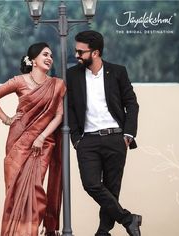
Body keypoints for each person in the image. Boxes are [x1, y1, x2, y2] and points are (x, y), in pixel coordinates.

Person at [0, 42, 66, 236]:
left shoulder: (56, 85)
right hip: (18, 143)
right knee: (15, 192)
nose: (49, 58)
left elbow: (58, 116)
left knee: (35, 190)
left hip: (43, 144)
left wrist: (41, 137)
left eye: (51, 56)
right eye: (45, 54)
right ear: (33, 60)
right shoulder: (19, 81)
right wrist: (7, 119)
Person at [67, 30, 141, 236]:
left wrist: (128, 134)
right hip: (87, 140)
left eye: (81, 52)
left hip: (115, 138)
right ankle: (128, 219)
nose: (77, 55)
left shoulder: (117, 72)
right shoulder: (72, 75)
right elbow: (71, 108)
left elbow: (131, 104)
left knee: (112, 188)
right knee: (91, 184)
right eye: (76, 50)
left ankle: (103, 232)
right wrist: (76, 138)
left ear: (96, 53)